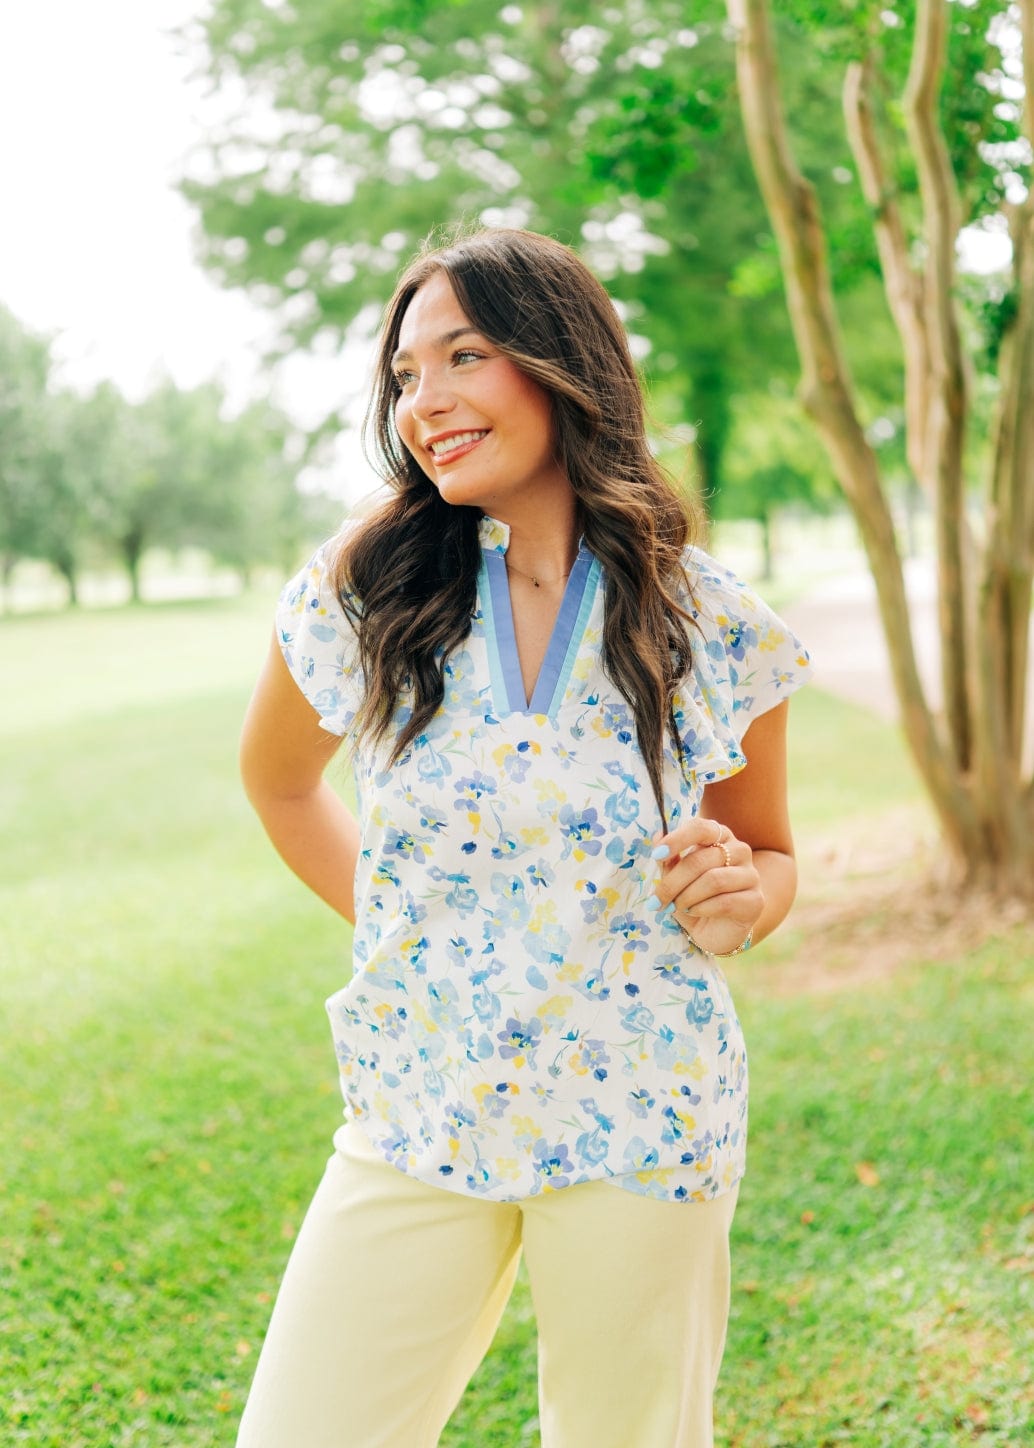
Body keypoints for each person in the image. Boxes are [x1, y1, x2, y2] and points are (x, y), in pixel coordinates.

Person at [236, 226, 811, 1448]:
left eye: (462, 356)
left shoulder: (704, 614)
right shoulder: (368, 582)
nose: (424, 401)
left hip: (641, 1109)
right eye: (403, 375)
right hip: (418, 1106)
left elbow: (766, 851)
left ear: (560, 363)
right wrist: (421, 937)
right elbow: (281, 785)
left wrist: (737, 897)